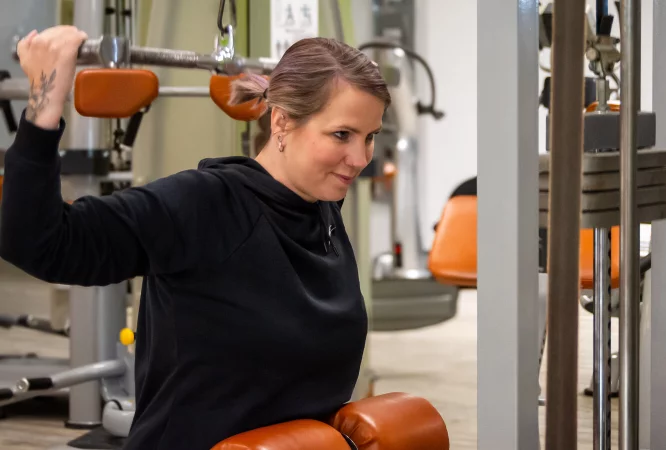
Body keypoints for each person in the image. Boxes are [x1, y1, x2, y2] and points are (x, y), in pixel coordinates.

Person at [0, 26, 390, 450]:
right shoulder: (202, 204)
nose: (360, 159)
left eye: (369, 137)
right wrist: (44, 98)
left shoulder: (321, 209)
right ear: (281, 121)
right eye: (342, 135)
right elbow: (38, 241)